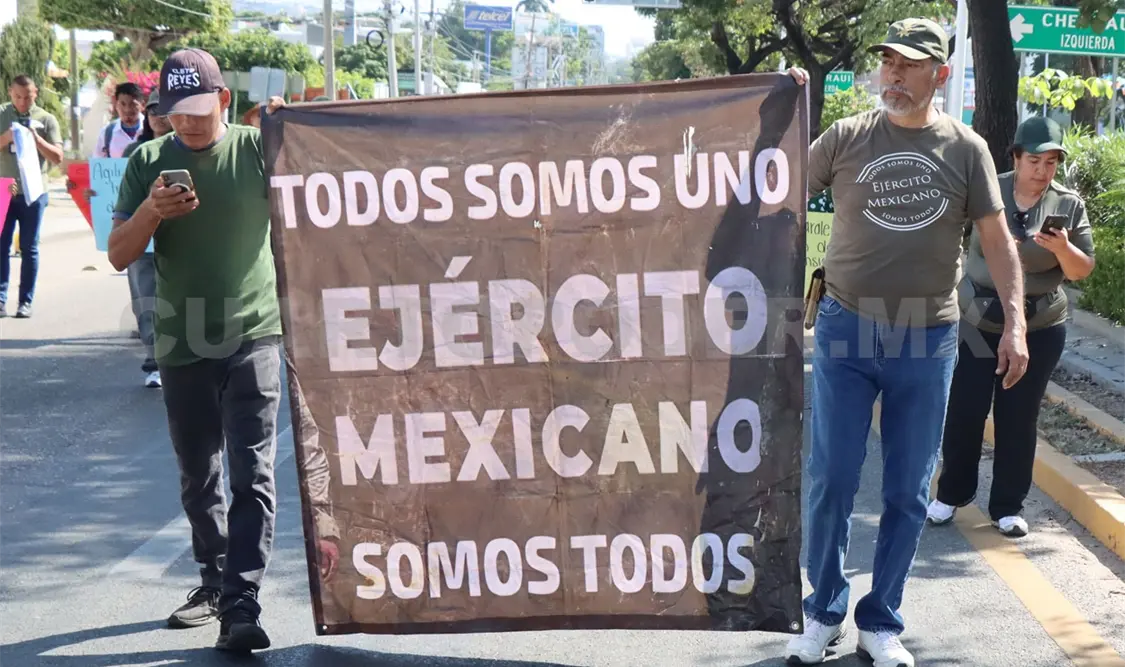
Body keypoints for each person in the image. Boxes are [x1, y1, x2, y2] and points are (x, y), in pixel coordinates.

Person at [783, 19, 1029, 667]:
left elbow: (996, 241)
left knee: (906, 487)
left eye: (909, 63)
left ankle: (880, 619)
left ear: (938, 75)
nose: (892, 73)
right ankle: (822, 610)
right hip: (844, 325)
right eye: (887, 61)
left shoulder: (965, 148)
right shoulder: (846, 137)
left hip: (927, 334)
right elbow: (775, 186)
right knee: (832, 477)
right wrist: (780, 106)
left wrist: (1016, 323)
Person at [108, 48, 287, 653]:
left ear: (224, 101)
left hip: (255, 332)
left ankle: (241, 600)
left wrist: (295, 130)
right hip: (182, 337)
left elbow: (329, 184)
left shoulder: (259, 148)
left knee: (253, 472)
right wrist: (152, 215)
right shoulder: (146, 162)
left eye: (198, 110)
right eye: (174, 111)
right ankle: (212, 580)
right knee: (198, 476)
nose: (186, 122)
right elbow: (118, 253)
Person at [928, 116, 1096, 538]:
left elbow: (1081, 271)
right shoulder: (989, 188)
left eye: (1052, 163)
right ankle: (951, 494)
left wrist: (1064, 248)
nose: (1042, 171)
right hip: (978, 319)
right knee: (965, 409)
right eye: (1035, 161)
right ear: (1017, 157)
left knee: (1018, 415)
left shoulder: (1067, 204)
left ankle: (1007, 506)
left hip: (1039, 324)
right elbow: (948, 235)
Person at [0, 74, 64, 319]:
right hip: (5, 189)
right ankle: (0, 298)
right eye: (18, 97)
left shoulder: (46, 119)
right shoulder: (2, 114)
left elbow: (58, 157)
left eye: (27, 97)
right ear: (10, 93)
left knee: (29, 247)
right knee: (1, 247)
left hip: (34, 192)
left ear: (35, 93)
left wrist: (36, 139)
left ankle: (25, 301)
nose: (23, 102)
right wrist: (6, 137)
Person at [121, 90, 173, 388]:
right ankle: (154, 359)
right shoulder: (133, 153)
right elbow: (117, 193)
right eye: (153, 111)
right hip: (142, 240)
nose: (157, 117)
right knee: (146, 299)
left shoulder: (185, 150)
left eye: (162, 111)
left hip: (176, 237)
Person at [94, 82, 145, 159]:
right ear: (116, 105)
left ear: (142, 105)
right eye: (123, 104)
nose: (127, 110)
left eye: (133, 104)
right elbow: (98, 164)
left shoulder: (152, 129)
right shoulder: (107, 133)